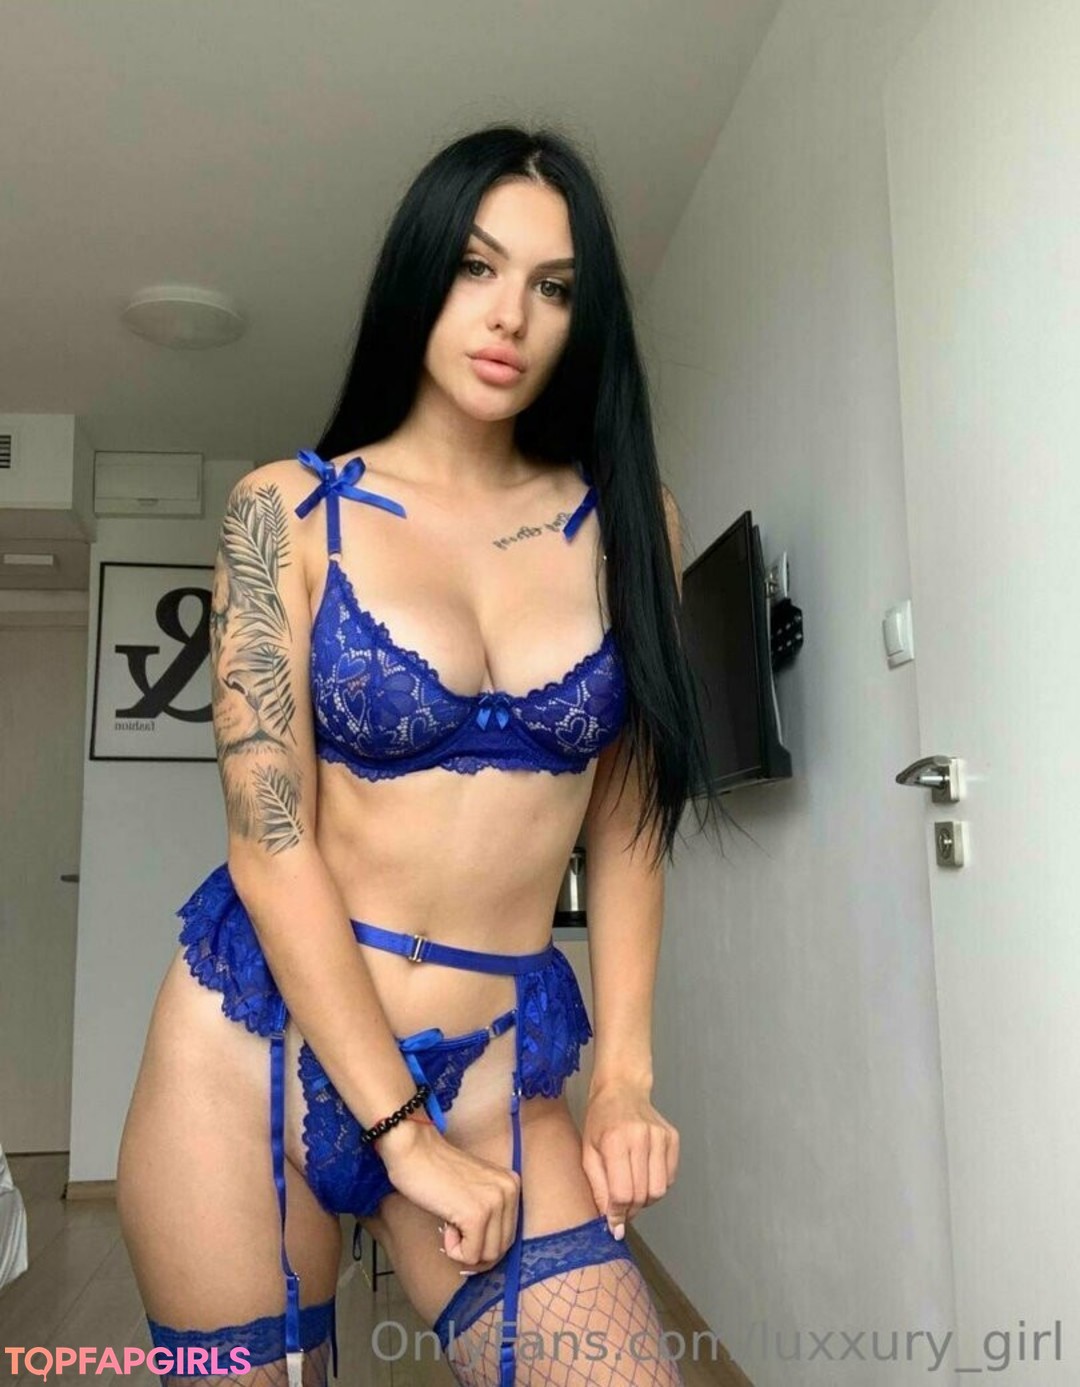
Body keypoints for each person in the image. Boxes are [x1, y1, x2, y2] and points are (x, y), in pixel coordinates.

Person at [116, 124, 728, 1387]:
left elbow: (626, 819)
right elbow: (269, 841)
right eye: (475, 266)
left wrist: (624, 1072)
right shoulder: (282, 514)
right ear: (419, 275)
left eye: (553, 286)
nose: (510, 315)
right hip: (257, 1054)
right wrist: (401, 1137)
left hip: (493, 1070)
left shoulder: (629, 525)